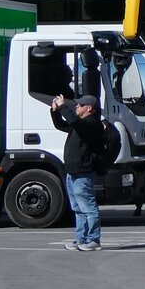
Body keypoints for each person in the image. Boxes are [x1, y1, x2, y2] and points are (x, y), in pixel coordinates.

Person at [50, 92, 106, 251]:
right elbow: (61, 124)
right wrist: (55, 111)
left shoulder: (92, 124)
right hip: (72, 172)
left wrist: (62, 106)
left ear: (89, 108)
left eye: (80, 105)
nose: (77, 106)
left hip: (83, 173)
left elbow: (73, 120)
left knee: (88, 207)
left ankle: (93, 239)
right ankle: (81, 239)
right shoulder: (79, 125)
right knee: (77, 208)